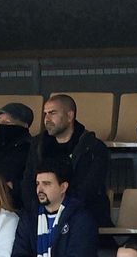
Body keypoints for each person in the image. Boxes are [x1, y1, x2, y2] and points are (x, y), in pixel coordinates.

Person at [16, 157, 101, 257]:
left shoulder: (81, 217)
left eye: (47, 184)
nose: (40, 189)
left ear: (63, 187)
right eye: (38, 184)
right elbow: (19, 256)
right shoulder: (29, 217)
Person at [20, 94, 112, 229]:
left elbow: (88, 190)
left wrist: (59, 210)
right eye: (45, 114)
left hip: (81, 218)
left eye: (52, 113)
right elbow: (28, 182)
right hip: (41, 216)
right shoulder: (37, 145)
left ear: (70, 116)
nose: (47, 119)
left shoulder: (93, 148)